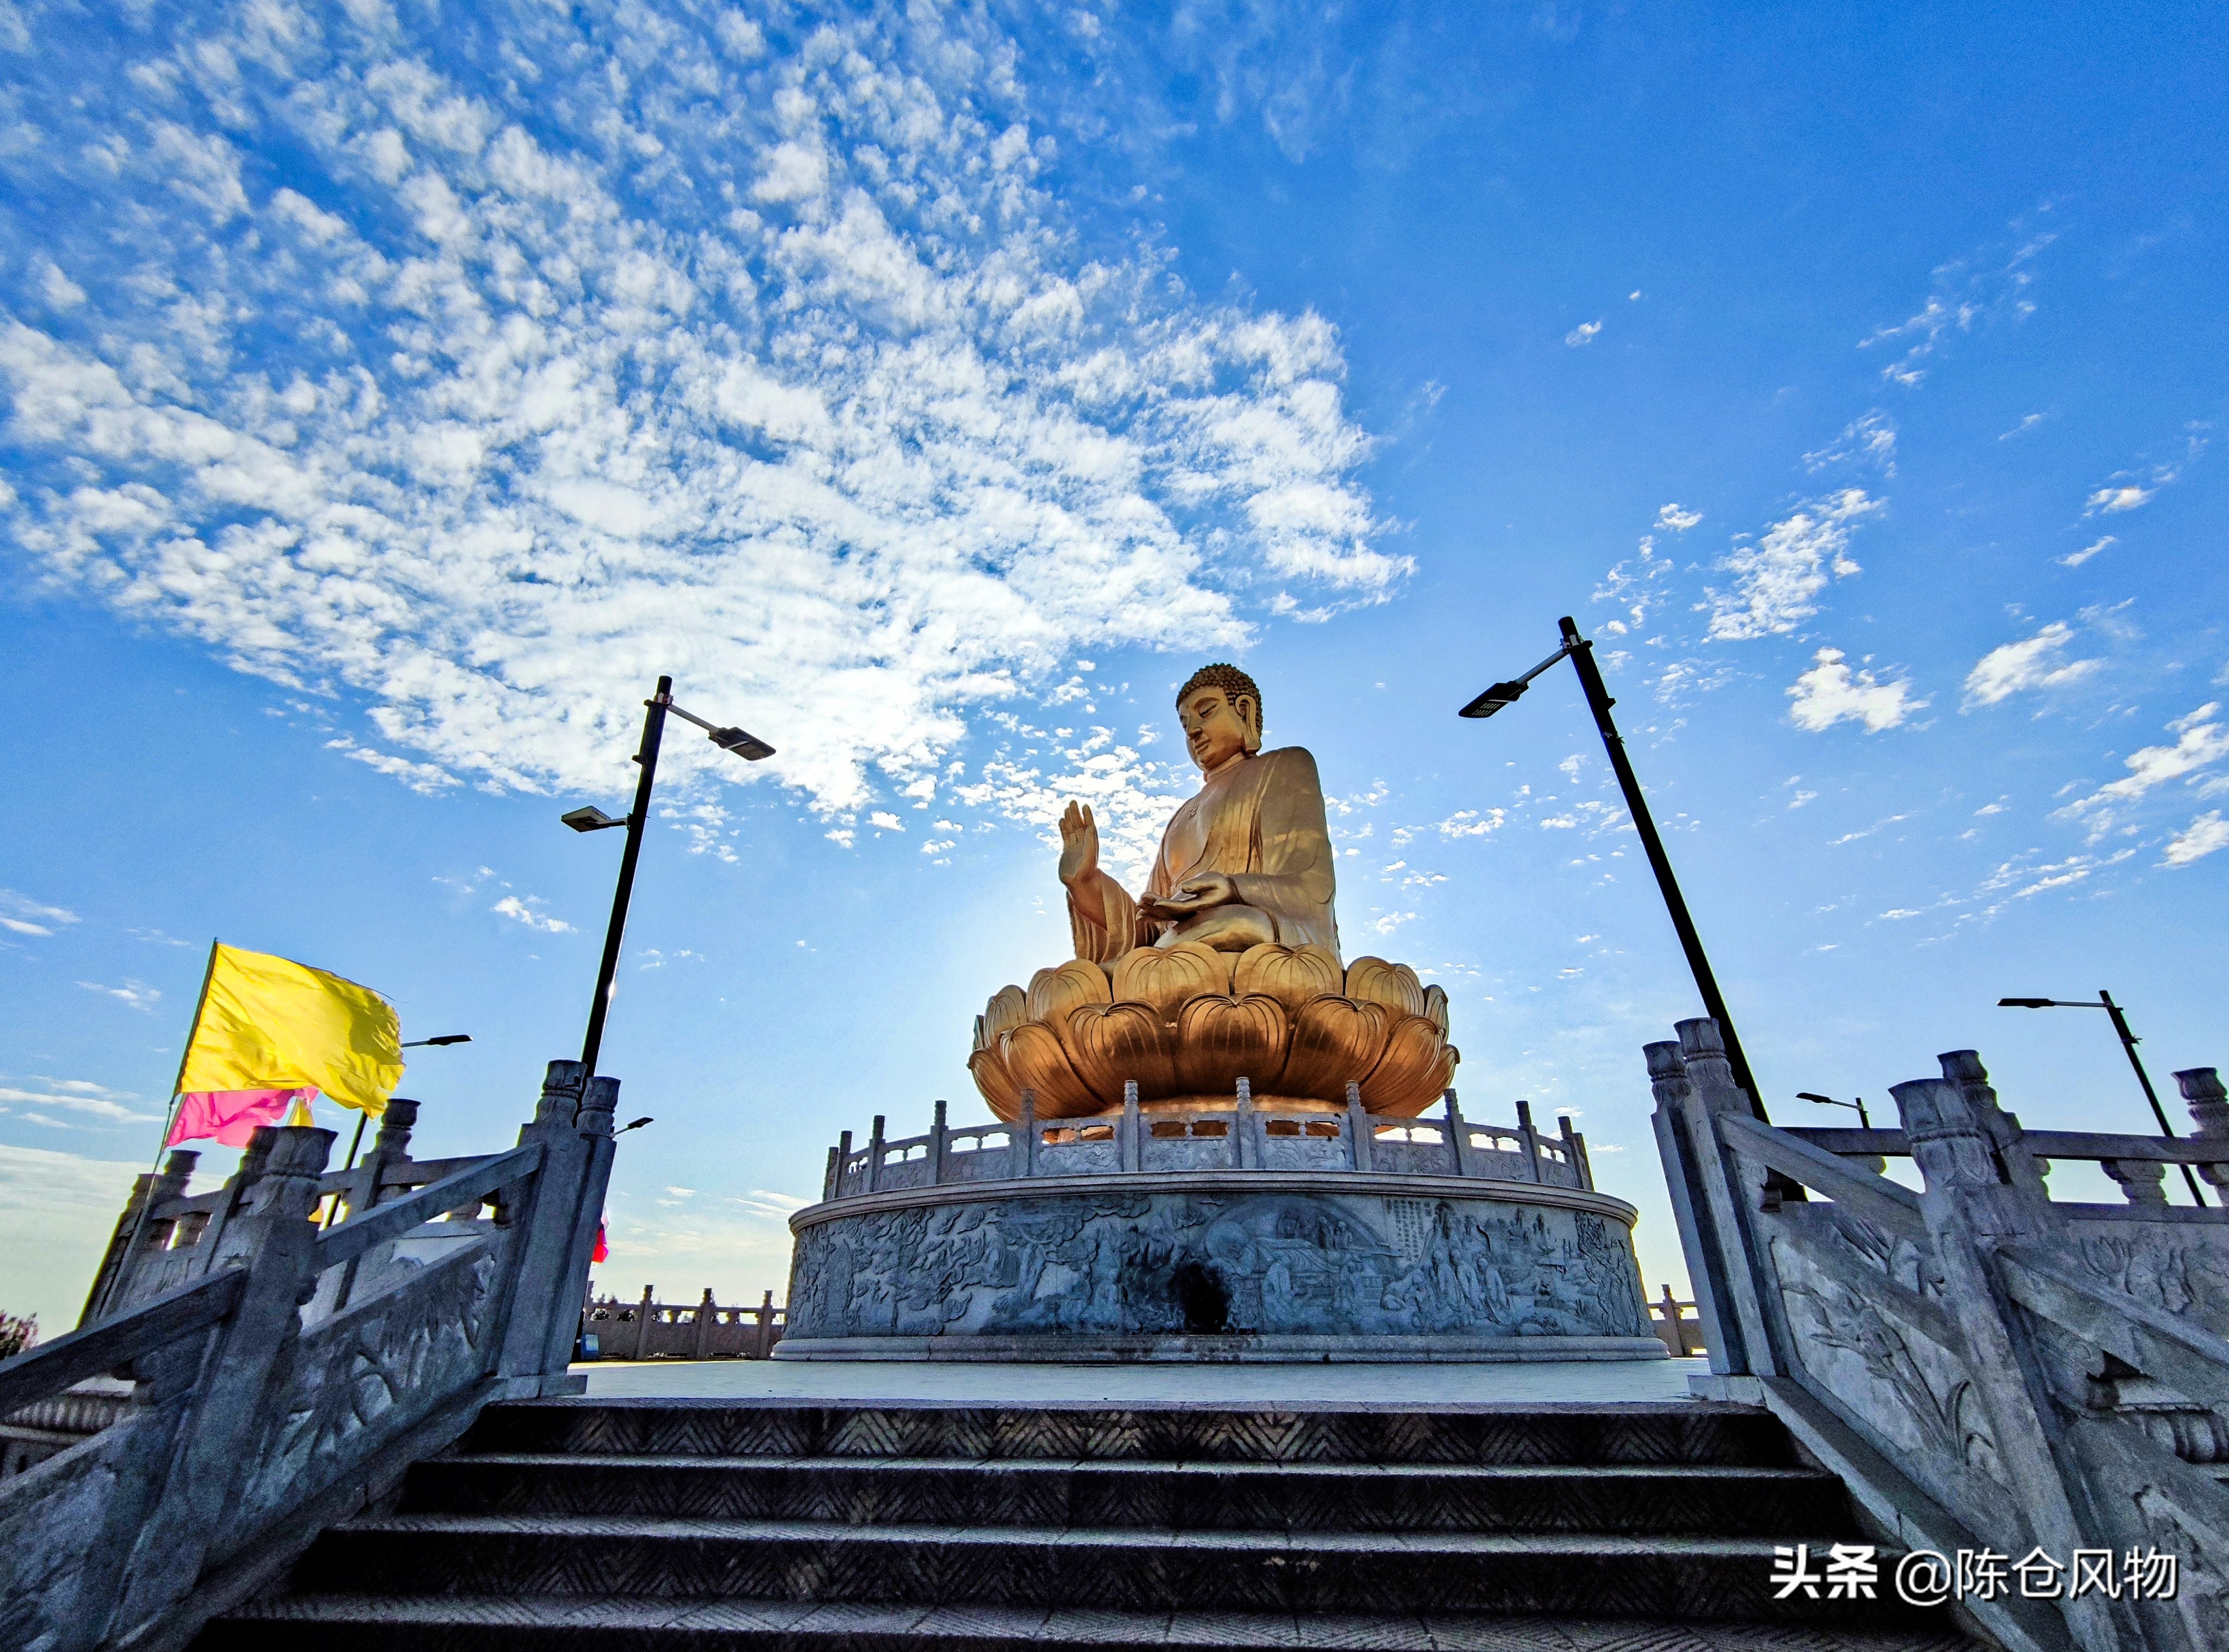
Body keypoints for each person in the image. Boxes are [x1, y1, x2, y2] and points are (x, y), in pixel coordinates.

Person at [1057, 663, 1340, 963]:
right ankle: (1128, 973)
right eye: (1185, 724)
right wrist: (1086, 883)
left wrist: (1233, 888)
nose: (1193, 731)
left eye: (1206, 712)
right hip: (1180, 955)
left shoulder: (1283, 766)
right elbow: (1154, 929)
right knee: (1175, 948)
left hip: (1260, 944)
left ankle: (1121, 976)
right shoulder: (1180, 818)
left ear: (1244, 712)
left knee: (1237, 924)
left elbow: (1311, 884)